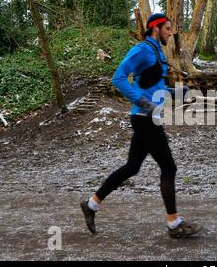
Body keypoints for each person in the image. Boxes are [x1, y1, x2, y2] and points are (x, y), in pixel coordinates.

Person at [80, 13, 202, 238]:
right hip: (144, 118)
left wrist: (178, 92)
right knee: (169, 167)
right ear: (155, 28)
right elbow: (117, 78)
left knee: (132, 167)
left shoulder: (157, 52)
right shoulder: (142, 50)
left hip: (147, 117)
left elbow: (154, 89)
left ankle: (92, 204)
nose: (170, 32)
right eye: (167, 28)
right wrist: (145, 104)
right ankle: (174, 224)